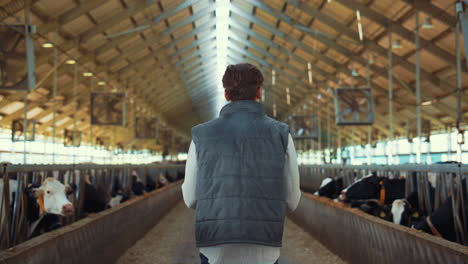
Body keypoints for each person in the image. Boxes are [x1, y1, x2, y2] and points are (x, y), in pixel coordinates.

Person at [182, 63, 301, 264]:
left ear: (226, 95)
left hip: (215, 246)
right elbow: (292, 198)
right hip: (264, 247)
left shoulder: (200, 135)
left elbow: (190, 197)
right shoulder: (280, 133)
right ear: (259, 92)